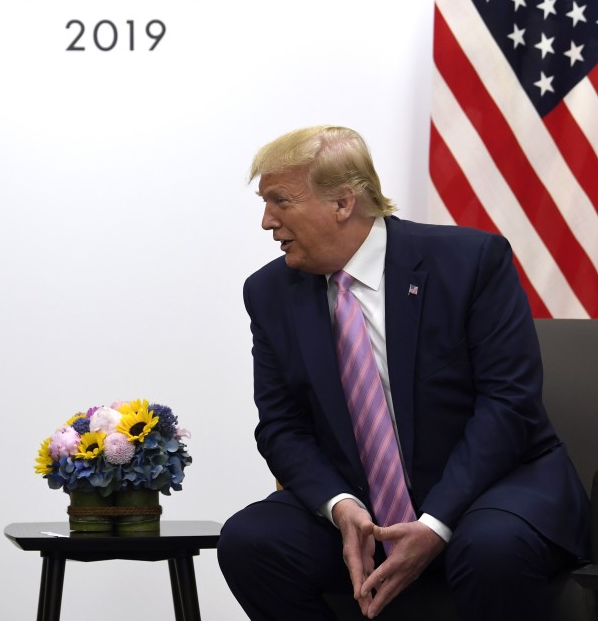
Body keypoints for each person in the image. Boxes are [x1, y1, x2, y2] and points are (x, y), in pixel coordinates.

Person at [217, 126, 589, 621]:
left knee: (491, 550)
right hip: (363, 506)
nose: (267, 221)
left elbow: (508, 405)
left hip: (492, 488)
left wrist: (435, 523)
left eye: (279, 201)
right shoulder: (269, 292)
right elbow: (282, 426)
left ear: (343, 203)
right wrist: (340, 506)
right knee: (251, 543)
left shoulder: (470, 262)